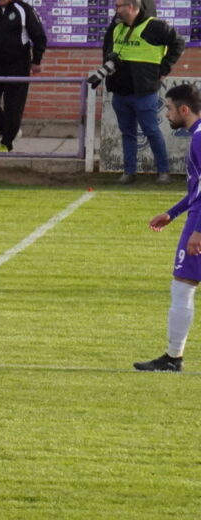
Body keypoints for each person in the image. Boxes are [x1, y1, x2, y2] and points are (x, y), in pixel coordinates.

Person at [136, 84, 201, 372]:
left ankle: (173, 358)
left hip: (199, 224)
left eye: (169, 108)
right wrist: (172, 213)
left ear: (184, 109)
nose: (166, 114)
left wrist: (198, 229)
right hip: (194, 218)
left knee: (182, 288)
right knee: (183, 287)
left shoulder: (200, 139)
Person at [102, 0, 184, 185]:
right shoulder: (116, 27)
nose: (116, 10)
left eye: (119, 6)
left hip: (144, 91)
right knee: (127, 133)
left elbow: (178, 42)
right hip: (120, 91)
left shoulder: (154, 26)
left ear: (131, 7)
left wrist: (163, 69)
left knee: (151, 131)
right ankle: (129, 172)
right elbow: (107, 49)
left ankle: (163, 172)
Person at [0, 0, 45, 152]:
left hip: (17, 65)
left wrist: (36, 62)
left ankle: (6, 143)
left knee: (13, 106)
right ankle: (10, 130)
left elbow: (39, 36)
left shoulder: (23, 9)